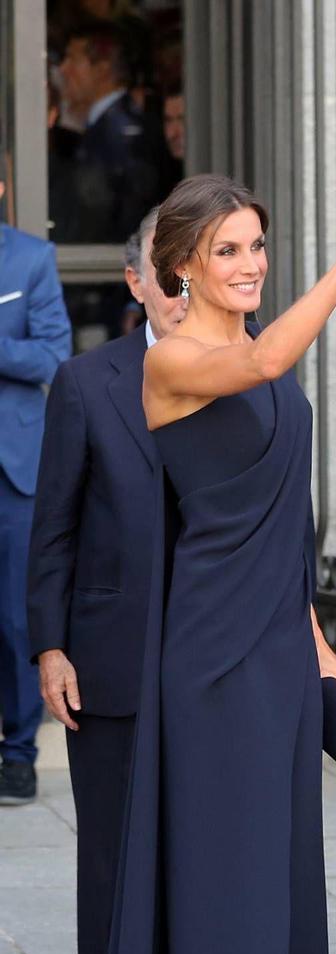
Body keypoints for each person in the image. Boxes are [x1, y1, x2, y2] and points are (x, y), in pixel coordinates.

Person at [58, 171, 336, 954]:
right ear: (181, 270)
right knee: (219, 884)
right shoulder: (184, 367)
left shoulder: (246, 354)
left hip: (274, 653)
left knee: (270, 880)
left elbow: (282, 526)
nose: (248, 266)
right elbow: (273, 360)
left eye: (257, 247)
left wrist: (320, 642)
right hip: (206, 657)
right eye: (228, 252)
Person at [27, 208, 186, 954]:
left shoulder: (249, 372)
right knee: (113, 859)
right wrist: (51, 647)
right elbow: (51, 529)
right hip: (110, 657)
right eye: (166, 274)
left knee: (199, 850)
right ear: (135, 284)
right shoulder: (87, 384)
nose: (180, 291)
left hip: (212, 656)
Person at [0, 164, 71, 805]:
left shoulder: (31, 259)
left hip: (12, 466)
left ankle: (18, 753)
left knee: (17, 619)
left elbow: (54, 352)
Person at [57, 20, 161, 243]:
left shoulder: (120, 133)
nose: (63, 69)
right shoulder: (107, 126)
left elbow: (122, 217)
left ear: (102, 69)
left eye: (72, 59)